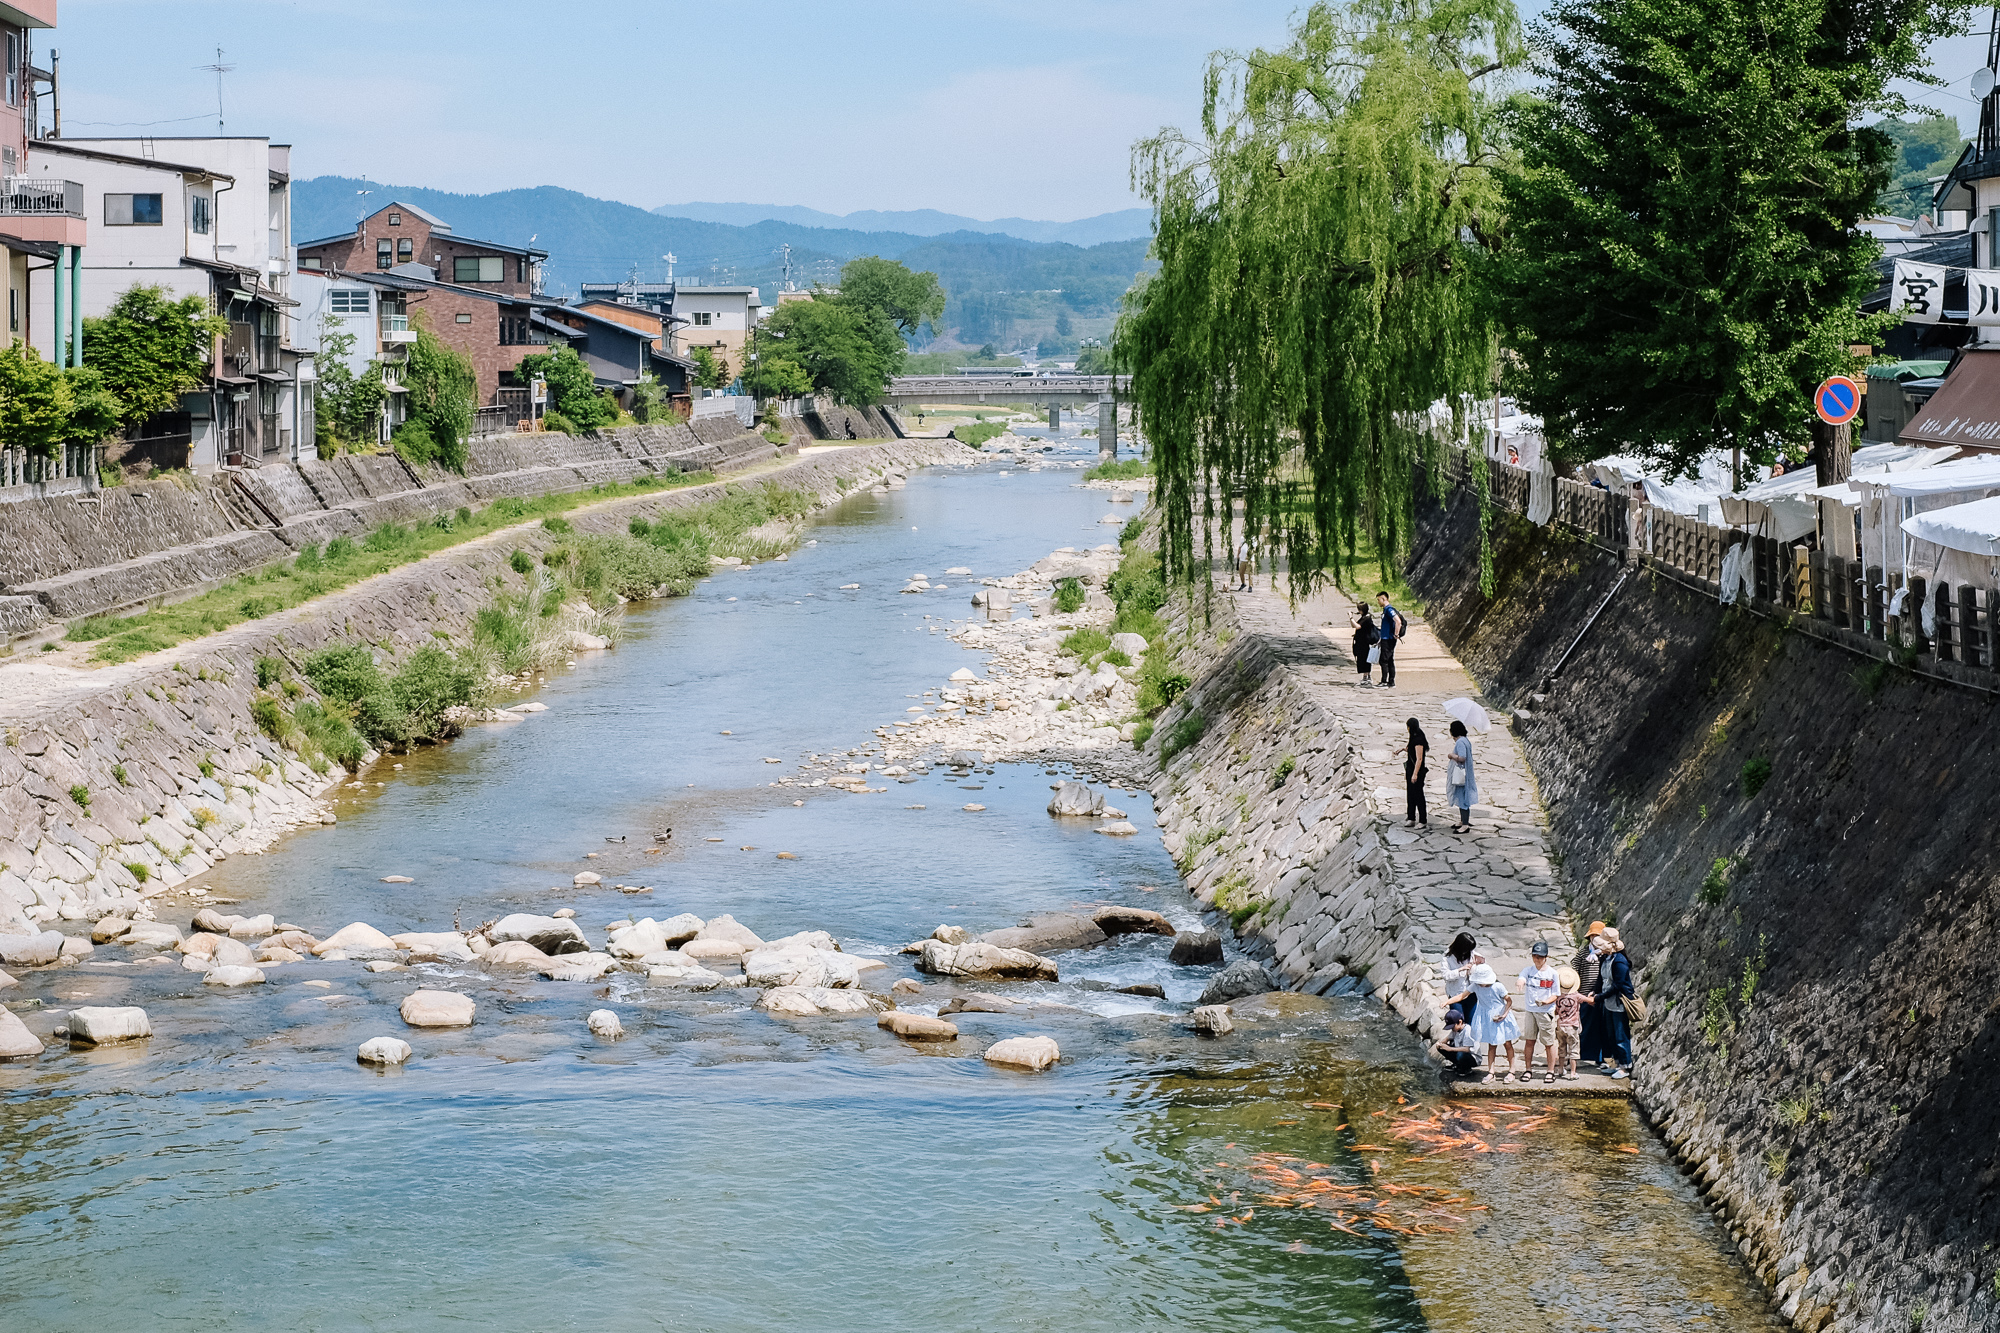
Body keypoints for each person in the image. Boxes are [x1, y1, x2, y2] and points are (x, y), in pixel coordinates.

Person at [1590, 927, 1634, 1079]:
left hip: (1618, 1001)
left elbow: (1618, 985)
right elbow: (1601, 979)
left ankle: (1625, 1065)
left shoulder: (1620, 961)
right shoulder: (1606, 958)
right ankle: (1616, 1062)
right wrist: (1595, 991)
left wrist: (1599, 997)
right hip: (1608, 1001)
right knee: (1611, 1034)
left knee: (1621, 1034)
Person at [1466, 962, 1519, 1082]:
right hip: (1488, 1018)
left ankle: (1512, 1071)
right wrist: (1447, 1002)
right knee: (1492, 1044)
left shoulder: (1498, 986)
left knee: (1507, 1044)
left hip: (1501, 1016)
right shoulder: (1476, 986)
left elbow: (1509, 1001)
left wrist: (1504, 1014)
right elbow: (1463, 995)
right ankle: (1491, 1072)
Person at [1517, 941, 1560, 1083]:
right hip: (1531, 1010)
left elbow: (1556, 994)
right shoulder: (1528, 971)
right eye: (1535, 956)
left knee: (1549, 1042)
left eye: (1540, 957)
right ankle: (1528, 1069)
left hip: (1546, 1011)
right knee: (1529, 1040)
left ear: (1546, 957)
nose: (1537, 959)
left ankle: (1550, 1071)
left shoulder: (1553, 974)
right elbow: (1522, 978)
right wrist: (1520, 983)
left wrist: (1547, 1002)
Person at [1571, 922, 1607, 1067]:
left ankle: (1600, 1057)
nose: (1595, 938)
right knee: (1583, 1026)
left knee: (1601, 1027)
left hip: (1601, 996)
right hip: (1584, 996)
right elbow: (1574, 970)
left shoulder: (1605, 954)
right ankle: (1581, 1055)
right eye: (1593, 935)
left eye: (1598, 935)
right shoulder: (1584, 953)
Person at [1439, 932, 1480, 1027]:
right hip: (1455, 993)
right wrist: (1460, 971)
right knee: (1457, 1022)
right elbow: (1446, 975)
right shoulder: (1447, 957)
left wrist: (1478, 963)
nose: (1469, 952)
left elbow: (1480, 967)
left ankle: (1469, 1040)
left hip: (1470, 993)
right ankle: (1456, 1041)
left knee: (1470, 1022)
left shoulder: (1471, 953)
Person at [1445, 720, 1478, 833]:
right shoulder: (1465, 740)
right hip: (1465, 774)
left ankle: (1465, 824)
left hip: (1461, 775)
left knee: (1463, 799)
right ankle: (1463, 820)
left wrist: (1451, 755)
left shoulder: (1460, 742)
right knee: (1461, 797)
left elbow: (1462, 757)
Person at [1554, 967, 1584, 1080]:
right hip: (1573, 1025)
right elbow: (1589, 1001)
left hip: (1561, 1025)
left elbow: (1555, 1010)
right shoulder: (1576, 995)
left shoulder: (1557, 996)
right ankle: (1573, 1073)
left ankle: (1561, 1069)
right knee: (1574, 1049)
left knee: (1561, 1047)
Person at [1434, 1010, 1480, 1079]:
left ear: (1460, 1022)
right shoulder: (1455, 1030)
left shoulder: (1468, 1030)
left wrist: (1450, 1049)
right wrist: (1440, 1044)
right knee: (1441, 1048)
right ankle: (1457, 1064)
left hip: (1472, 1057)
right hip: (1460, 1052)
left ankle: (1466, 1068)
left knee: (1460, 1054)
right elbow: (1446, 1039)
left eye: (1452, 1027)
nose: (1452, 1029)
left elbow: (1467, 1049)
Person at [1404, 717, 1429, 828]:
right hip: (1410, 769)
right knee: (1410, 795)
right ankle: (1411, 817)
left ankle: (1422, 820)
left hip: (1417, 771)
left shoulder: (1419, 739)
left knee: (1418, 795)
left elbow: (1419, 759)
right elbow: (1411, 750)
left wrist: (1415, 774)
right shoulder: (1414, 737)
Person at [1374, 591, 1403, 687]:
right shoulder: (1386, 610)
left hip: (1389, 639)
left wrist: (1396, 634)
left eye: (1379, 600)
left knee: (1384, 660)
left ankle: (1384, 681)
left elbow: (1398, 621)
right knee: (1389, 660)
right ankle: (1391, 682)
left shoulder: (1389, 609)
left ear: (1383, 599)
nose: (1378, 602)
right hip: (1385, 638)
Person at [1350, 602, 1378, 685]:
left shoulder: (1367, 618)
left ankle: (1366, 677)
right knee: (1362, 659)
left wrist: (1351, 617)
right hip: (1361, 642)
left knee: (1364, 659)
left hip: (1364, 643)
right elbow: (1354, 626)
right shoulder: (1364, 617)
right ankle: (1366, 676)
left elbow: (1358, 626)